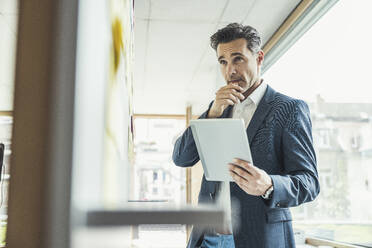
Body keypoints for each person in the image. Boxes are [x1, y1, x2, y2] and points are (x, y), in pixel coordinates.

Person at [172, 23, 320, 248]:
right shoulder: (218, 109)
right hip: (207, 238)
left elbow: (309, 183)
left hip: (258, 238)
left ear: (259, 58)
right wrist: (211, 114)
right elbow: (181, 158)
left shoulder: (289, 109)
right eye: (223, 62)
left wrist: (269, 184)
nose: (230, 70)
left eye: (238, 59)